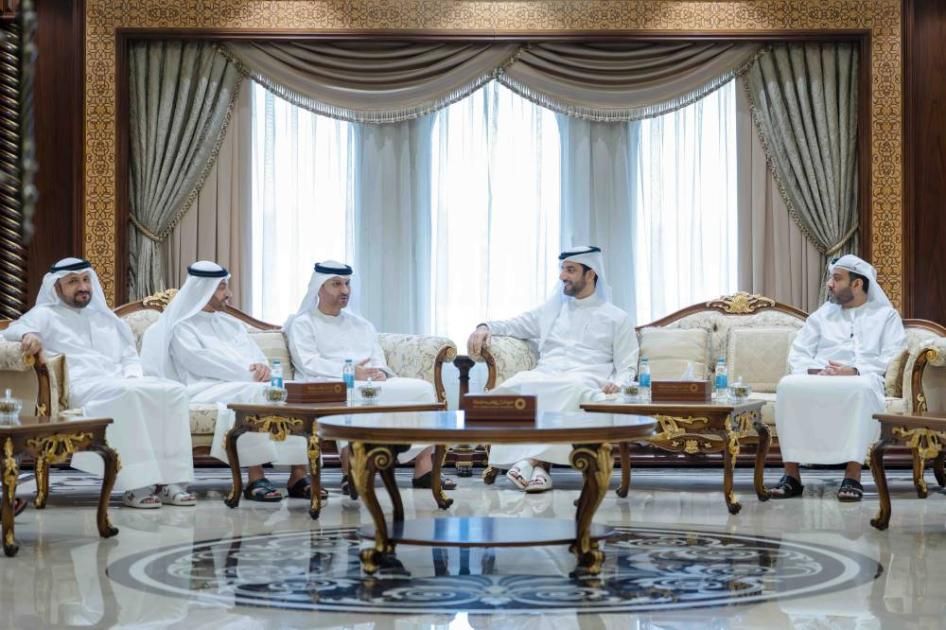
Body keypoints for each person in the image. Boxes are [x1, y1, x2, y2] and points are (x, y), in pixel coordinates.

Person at [2, 257, 194, 508]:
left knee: (175, 391)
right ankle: (136, 487)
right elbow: (10, 331)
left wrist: (134, 378)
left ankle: (174, 483)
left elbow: (129, 357)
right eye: (73, 282)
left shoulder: (106, 318)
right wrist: (29, 334)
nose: (82, 287)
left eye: (85, 280)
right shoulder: (45, 315)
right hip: (81, 386)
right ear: (56, 287)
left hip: (118, 381)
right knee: (128, 394)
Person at [466, 246, 637, 492]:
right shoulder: (551, 311)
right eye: (562, 269)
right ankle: (538, 468)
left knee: (570, 389)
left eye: (570, 270)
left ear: (591, 274)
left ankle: (529, 461)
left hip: (585, 377)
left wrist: (618, 385)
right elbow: (512, 325)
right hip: (546, 373)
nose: (562, 276)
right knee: (516, 385)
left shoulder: (617, 318)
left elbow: (627, 364)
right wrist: (483, 327)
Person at [140, 261, 312, 502]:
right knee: (255, 394)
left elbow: (257, 357)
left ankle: (298, 475)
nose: (229, 293)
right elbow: (200, 362)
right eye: (222, 287)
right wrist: (250, 374)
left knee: (286, 391)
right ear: (203, 289)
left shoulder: (232, 325)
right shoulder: (181, 326)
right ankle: (256, 477)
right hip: (201, 388)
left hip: (239, 384)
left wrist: (262, 368)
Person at [285, 261, 454, 493]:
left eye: (347, 284)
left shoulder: (361, 324)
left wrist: (379, 372)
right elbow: (308, 363)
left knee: (422, 389)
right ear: (319, 288)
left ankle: (424, 468)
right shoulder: (303, 323)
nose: (345, 290)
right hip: (327, 383)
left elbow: (377, 356)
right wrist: (351, 373)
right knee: (351, 395)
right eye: (336, 284)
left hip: (368, 382)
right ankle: (351, 471)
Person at [771, 254, 906, 502]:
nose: (829, 284)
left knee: (862, 389)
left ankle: (852, 476)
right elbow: (799, 352)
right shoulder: (822, 315)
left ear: (857, 283)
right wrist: (817, 370)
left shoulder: (886, 317)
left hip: (862, 377)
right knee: (787, 385)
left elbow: (893, 355)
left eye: (836, 278)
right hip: (820, 376)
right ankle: (791, 476)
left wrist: (853, 370)